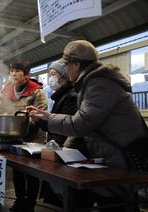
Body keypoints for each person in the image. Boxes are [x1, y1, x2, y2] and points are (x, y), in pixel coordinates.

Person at [28, 40, 147, 212]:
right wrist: (65, 146)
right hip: (111, 155)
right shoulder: (90, 83)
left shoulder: (99, 84)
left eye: (66, 65)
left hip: (121, 156)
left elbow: (82, 124)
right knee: (110, 202)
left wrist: (48, 120)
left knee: (118, 205)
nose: (66, 71)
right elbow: (87, 123)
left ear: (76, 64)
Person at [0, 58, 48, 212]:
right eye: (12, 71)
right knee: (17, 172)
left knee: (32, 173)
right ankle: (19, 201)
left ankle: (30, 205)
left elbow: (40, 116)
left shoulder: (37, 92)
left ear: (26, 74)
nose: (13, 74)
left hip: (33, 139)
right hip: (13, 138)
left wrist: (18, 125)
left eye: (17, 71)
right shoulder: (5, 91)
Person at [27, 61, 79, 208]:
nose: (51, 79)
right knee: (61, 195)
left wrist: (42, 121)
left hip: (65, 151)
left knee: (67, 195)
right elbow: (56, 122)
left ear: (64, 77)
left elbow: (67, 126)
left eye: (53, 75)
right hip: (58, 148)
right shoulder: (60, 96)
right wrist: (39, 119)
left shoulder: (71, 96)